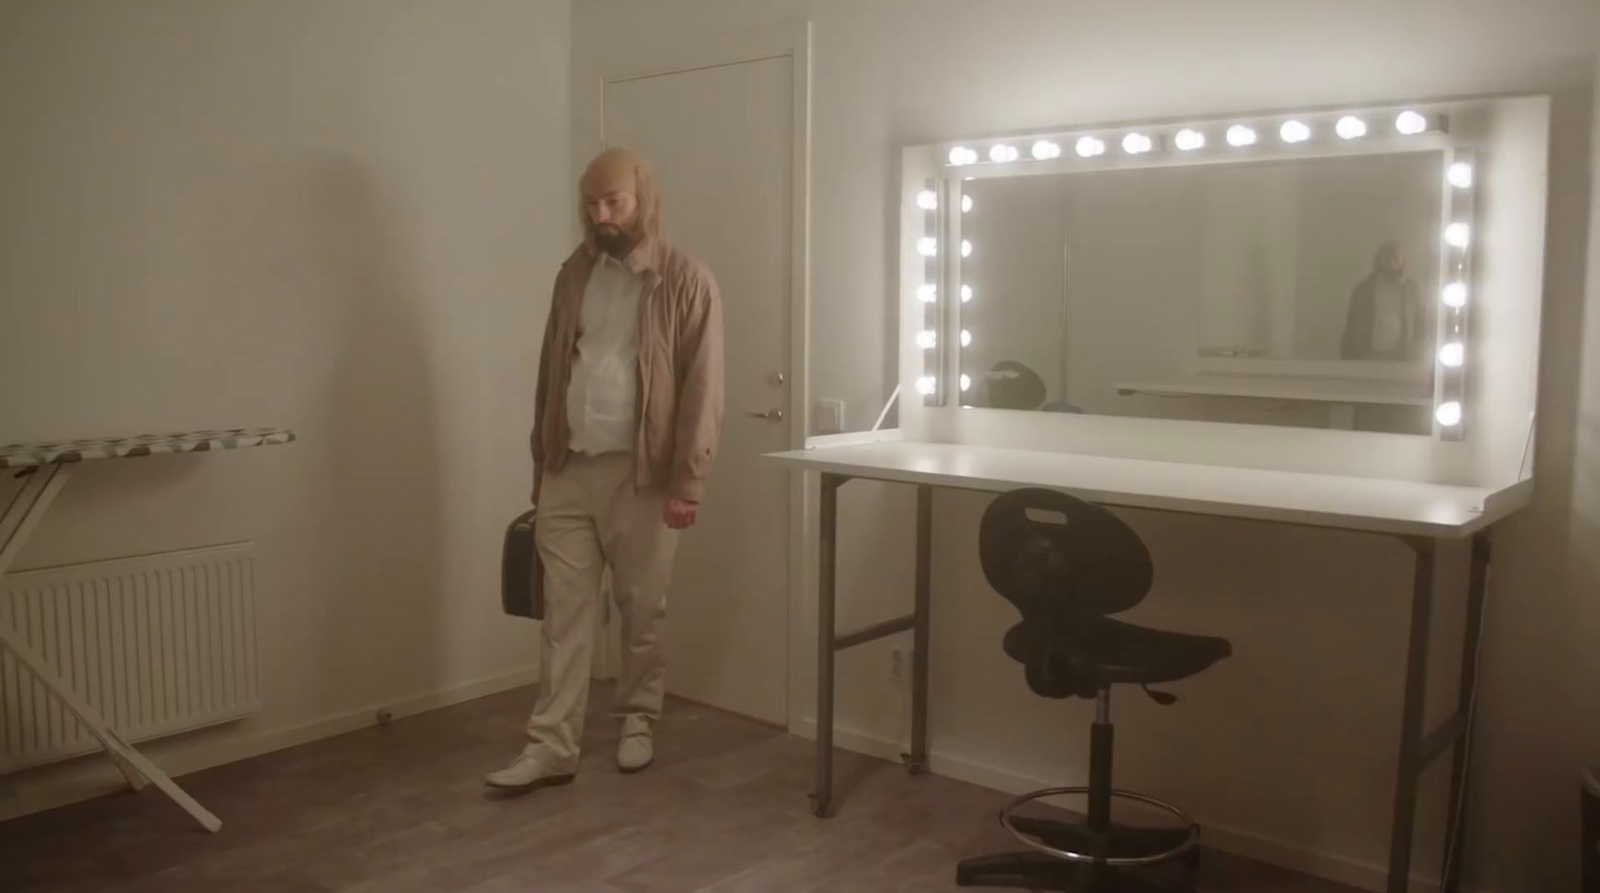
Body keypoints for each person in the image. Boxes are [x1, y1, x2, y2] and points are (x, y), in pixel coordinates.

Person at [487, 148, 724, 792]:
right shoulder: (574, 274)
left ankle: (638, 719)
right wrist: (541, 462)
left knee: (641, 609)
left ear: (642, 197)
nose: (601, 215)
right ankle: (551, 747)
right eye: (591, 204)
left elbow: (703, 389)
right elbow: (551, 369)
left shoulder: (685, 278)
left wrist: (689, 480)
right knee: (564, 615)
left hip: (643, 476)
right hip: (569, 467)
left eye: (613, 201)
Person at [1340, 241, 1424, 361]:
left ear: (1403, 260)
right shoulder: (1364, 288)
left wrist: (1419, 352)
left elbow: (1421, 323)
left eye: (1395, 257)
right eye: (1387, 256)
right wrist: (1347, 354)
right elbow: (1352, 322)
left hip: (1402, 355)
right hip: (1367, 353)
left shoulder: (1412, 289)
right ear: (1379, 259)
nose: (1391, 261)